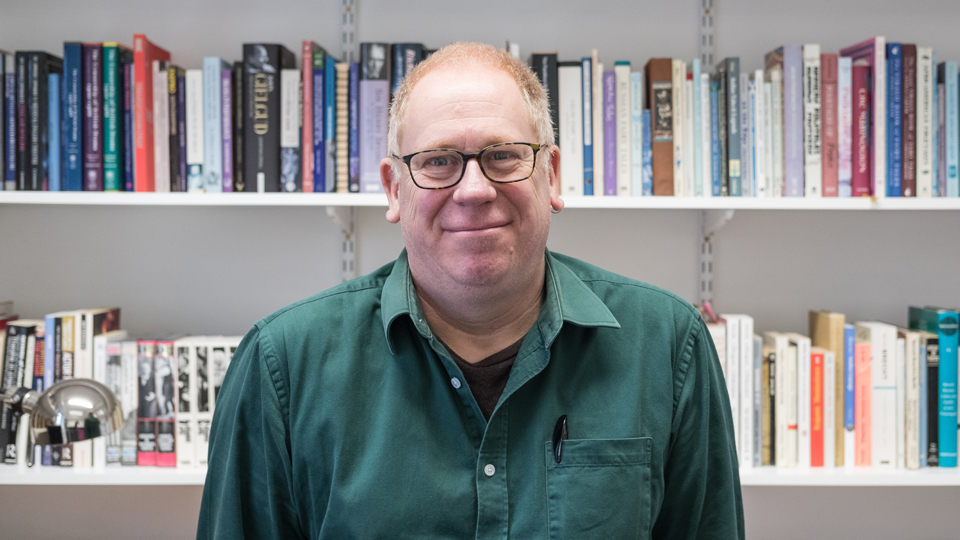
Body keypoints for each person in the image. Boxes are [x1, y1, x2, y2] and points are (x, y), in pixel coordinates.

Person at [198, 42, 743, 539]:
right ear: (394, 189)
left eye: (503, 155)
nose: (474, 190)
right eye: (438, 162)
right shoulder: (282, 365)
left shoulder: (669, 344)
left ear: (551, 175)